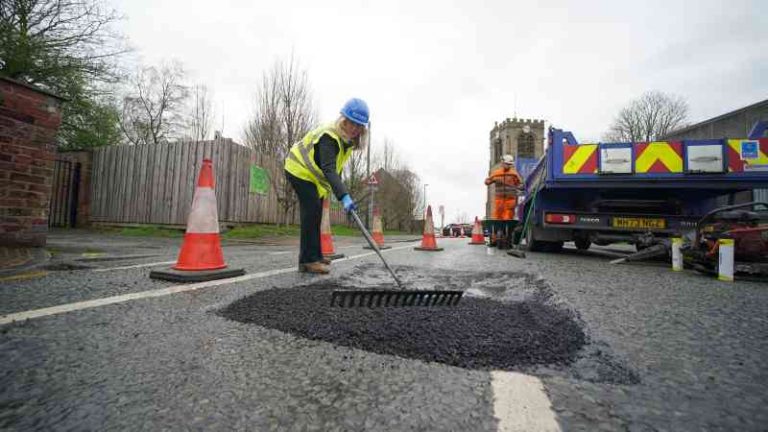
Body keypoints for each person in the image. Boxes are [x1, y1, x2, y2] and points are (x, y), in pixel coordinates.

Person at [284, 98, 369, 274]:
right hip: (298, 170)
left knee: (317, 214)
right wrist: (344, 196)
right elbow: (329, 169)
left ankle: (315, 254)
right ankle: (307, 261)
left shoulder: (346, 142)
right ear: (344, 120)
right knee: (311, 212)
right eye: (351, 123)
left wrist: (342, 192)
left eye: (359, 125)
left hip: (312, 178)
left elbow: (335, 172)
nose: (354, 128)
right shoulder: (329, 137)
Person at [484, 154, 523, 220]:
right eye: (506, 164)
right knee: (498, 217)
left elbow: (520, 184)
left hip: (510, 199)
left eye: (509, 164)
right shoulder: (496, 173)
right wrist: (493, 180)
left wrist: (519, 188)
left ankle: (508, 229)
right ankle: (499, 229)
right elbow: (487, 181)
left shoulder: (514, 174)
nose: (508, 165)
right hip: (499, 199)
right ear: (502, 163)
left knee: (508, 217)